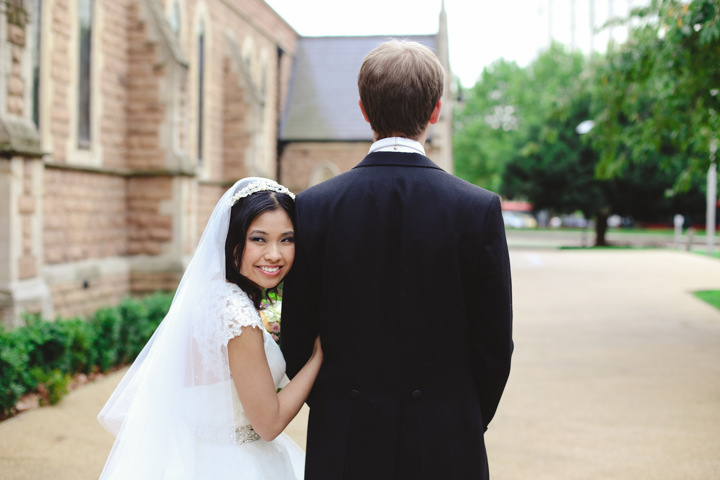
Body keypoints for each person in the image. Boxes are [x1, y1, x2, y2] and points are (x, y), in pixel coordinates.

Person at [281, 40, 513, 480]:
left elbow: (297, 336)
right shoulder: (477, 208)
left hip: (344, 439)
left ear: (364, 110)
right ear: (436, 111)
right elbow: (494, 344)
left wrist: (340, 410)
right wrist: (458, 418)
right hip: (448, 442)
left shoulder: (314, 207)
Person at [97, 177, 322, 480]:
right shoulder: (237, 316)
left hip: (194, 454)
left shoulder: (211, 294)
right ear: (233, 240)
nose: (274, 254)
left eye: (286, 239)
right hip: (237, 466)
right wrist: (319, 357)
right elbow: (268, 423)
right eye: (259, 239)